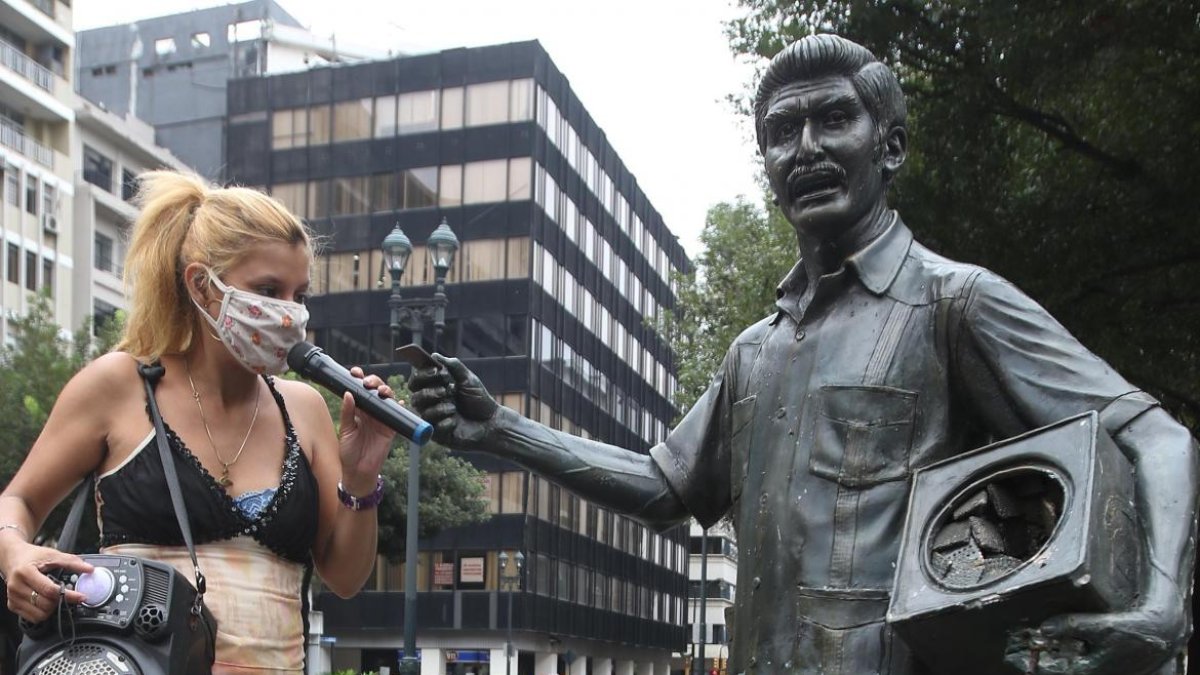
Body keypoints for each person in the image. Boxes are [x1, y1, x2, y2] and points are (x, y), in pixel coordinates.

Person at [408, 34, 1197, 675]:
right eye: (782, 132)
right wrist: (500, 429)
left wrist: (1161, 611)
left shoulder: (954, 303)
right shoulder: (754, 351)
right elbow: (663, 483)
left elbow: (1157, 437)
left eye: (834, 119)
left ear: (890, 146)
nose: (806, 148)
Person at [0, 171, 397, 673]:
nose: (288, 313)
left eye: (299, 295)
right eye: (268, 289)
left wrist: (360, 478)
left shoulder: (305, 408)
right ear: (202, 286)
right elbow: (18, 500)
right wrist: (15, 553)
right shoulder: (120, 385)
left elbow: (344, 577)